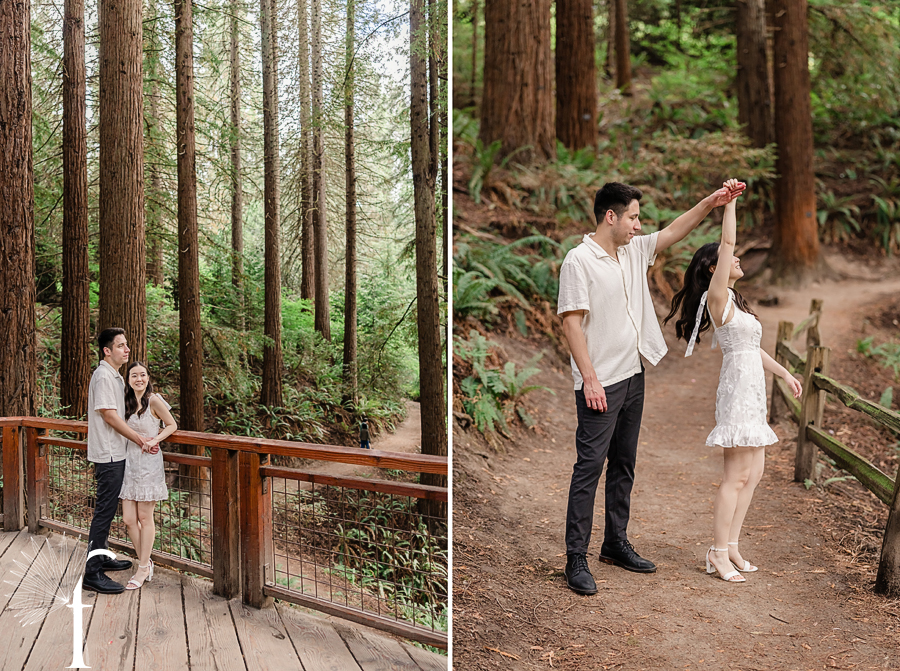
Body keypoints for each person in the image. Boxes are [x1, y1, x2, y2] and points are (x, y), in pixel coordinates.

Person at [558, 180, 745, 596]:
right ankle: (576, 557)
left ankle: (614, 543)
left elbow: (676, 229)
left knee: (624, 464)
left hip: (633, 374)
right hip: (599, 382)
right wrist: (589, 378)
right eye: (633, 217)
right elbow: (571, 323)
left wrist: (713, 201)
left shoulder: (633, 250)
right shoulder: (578, 261)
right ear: (612, 216)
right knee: (589, 469)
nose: (639, 226)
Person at [664, 178, 802, 582]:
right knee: (735, 476)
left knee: (755, 474)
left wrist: (785, 373)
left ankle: (734, 547)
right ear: (715, 269)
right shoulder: (719, 297)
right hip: (738, 388)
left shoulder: (739, 305)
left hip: (752, 387)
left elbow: (753, 350)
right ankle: (716, 553)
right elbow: (726, 246)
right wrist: (729, 205)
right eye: (732, 259)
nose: (739, 261)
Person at [83, 328, 153, 594]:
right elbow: (109, 416)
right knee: (104, 512)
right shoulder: (103, 376)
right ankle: (92, 573)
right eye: (121, 346)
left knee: (108, 510)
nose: (127, 350)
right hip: (109, 454)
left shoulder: (115, 376)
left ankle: (100, 557)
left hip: (116, 452)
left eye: (126, 345)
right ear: (107, 351)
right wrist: (139, 439)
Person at [120, 361, 177, 590]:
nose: (139, 379)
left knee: (145, 517)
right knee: (128, 519)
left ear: (147, 377)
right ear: (129, 379)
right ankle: (147, 561)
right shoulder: (125, 401)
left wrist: (155, 440)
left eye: (142, 375)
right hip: (129, 462)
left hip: (149, 463)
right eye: (134, 375)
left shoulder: (154, 400)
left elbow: (172, 424)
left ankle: (142, 567)